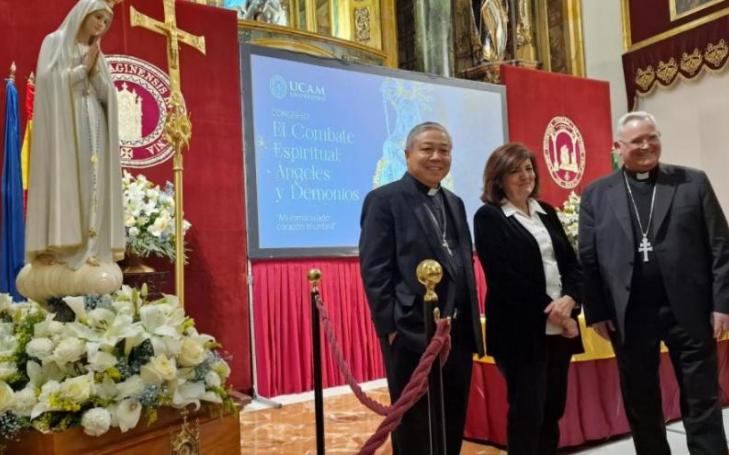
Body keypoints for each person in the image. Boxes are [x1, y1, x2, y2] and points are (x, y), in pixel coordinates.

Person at [579, 111, 729, 454]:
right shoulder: (597, 195)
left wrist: (723, 304)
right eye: (637, 141)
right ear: (618, 147)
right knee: (641, 401)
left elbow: (721, 245)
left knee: (702, 399)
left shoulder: (692, 183)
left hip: (689, 310)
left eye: (653, 137)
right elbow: (588, 260)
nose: (647, 146)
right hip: (629, 314)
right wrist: (597, 311)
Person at [359, 122, 484, 455]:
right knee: (415, 425)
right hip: (411, 332)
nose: (437, 157)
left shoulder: (454, 202)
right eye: (427, 149)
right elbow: (375, 269)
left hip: (455, 333)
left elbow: (462, 267)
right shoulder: (384, 200)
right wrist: (390, 329)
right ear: (408, 154)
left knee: (453, 418)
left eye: (444, 150)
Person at [473, 143, 583, 455]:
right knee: (527, 414)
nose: (525, 176)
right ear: (498, 179)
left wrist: (571, 299)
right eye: (515, 170)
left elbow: (572, 266)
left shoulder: (546, 211)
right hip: (521, 332)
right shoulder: (489, 217)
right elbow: (504, 279)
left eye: (528, 168)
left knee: (552, 411)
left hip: (559, 330)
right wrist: (555, 311)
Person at [18, 0, 125, 302]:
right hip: (66, 131)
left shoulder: (96, 54)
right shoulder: (54, 43)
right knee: (72, 185)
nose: (101, 25)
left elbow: (107, 95)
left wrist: (97, 76)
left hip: (94, 125)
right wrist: (81, 71)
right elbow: (49, 84)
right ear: (82, 14)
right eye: (98, 18)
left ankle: (92, 249)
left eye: (106, 21)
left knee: (94, 186)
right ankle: (62, 248)